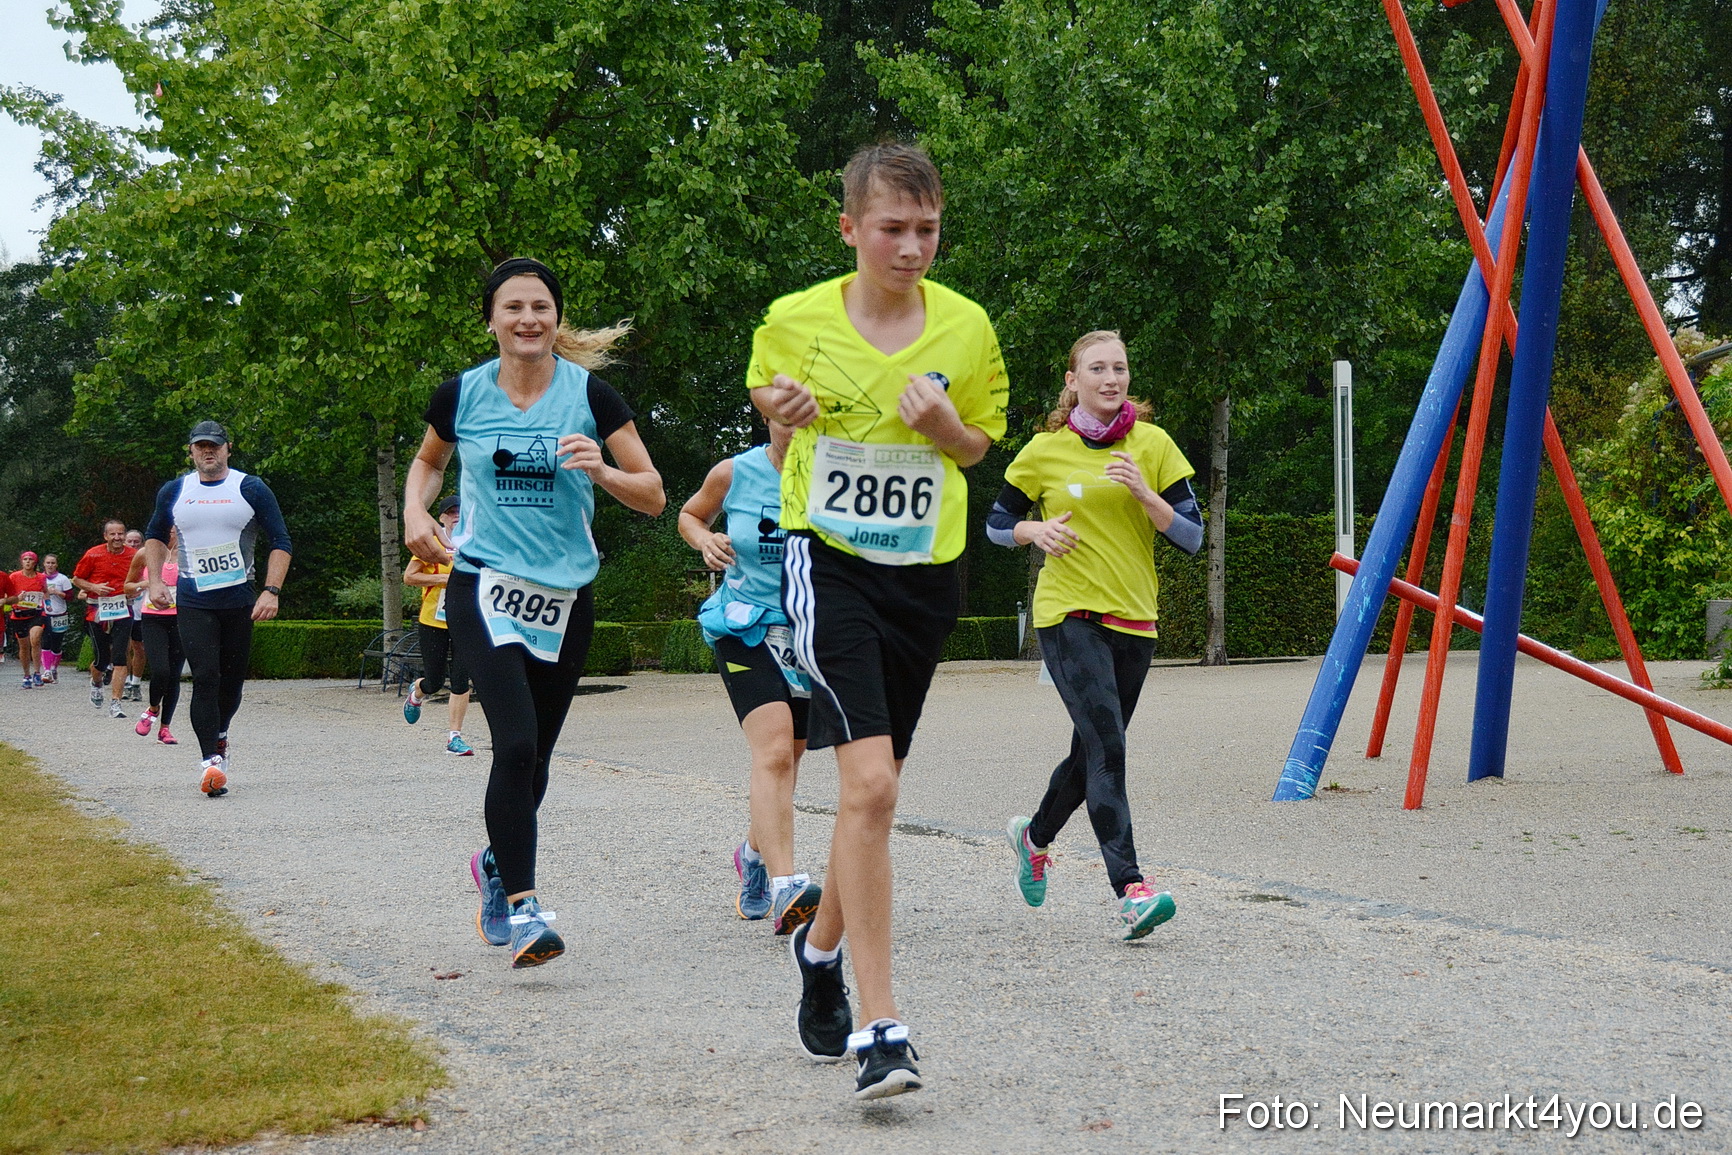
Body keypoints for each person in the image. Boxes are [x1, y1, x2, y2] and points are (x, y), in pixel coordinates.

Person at [750, 141, 1008, 1100]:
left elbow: (980, 440)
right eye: (892, 229)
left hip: (927, 575)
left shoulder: (970, 328)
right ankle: (881, 1024)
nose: (910, 248)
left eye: (927, 230)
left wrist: (947, 431)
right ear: (850, 227)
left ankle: (818, 952)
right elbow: (769, 408)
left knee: (873, 790)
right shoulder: (796, 318)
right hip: (832, 563)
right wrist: (784, 410)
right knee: (871, 781)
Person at [404, 257, 664, 970]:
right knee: (513, 743)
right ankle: (524, 908)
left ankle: (494, 861)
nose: (527, 319)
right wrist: (413, 508)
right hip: (483, 584)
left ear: (557, 318)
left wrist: (603, 470)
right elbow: (428, 463)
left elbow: (653, 493)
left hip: (565, 596)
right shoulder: (461, 394)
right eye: (513, 307)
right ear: (490, 318)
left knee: (537, 758)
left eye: (540, 307)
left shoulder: (592, 396)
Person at [987, 330, 1203, 941]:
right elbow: (997, 524)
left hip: (1136, 619)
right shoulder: (1043, 450)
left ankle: (1033, 838)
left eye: (1121, 369)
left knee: (1091, 755)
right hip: (1068, 614)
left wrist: (1144, 494)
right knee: (1109, 748)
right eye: (1098, 369)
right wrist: (1033, 533)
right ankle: (1131, 890)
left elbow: (1192, 536)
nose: (1112, 379)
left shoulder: (1154, 446)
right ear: (1073, 380)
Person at [678, 419, 820, 934]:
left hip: (808, 634)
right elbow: (690, 514)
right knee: (776, 750)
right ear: (767, 415)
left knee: (794, 752)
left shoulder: (839, 475)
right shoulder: (735, 472)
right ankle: (787, 886)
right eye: (786, 413)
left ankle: (753, 854)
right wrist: (704, 538)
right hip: (744, 625)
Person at [142, 421, 293, 798]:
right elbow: (155, 536)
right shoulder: (176, 490)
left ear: (228, 449)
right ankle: (210, 763)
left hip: (239, 600)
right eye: (200, 447)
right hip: (194, 601)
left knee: (231, 683)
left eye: (215, 446)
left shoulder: (250, 488)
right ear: (191, 451)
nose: (207, 452)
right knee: (205, 677)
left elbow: (280, 539)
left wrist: (271, 591)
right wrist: (158, 582)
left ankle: (221, 733)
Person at [402, 495, 475, 756]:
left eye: (460, 511)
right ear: (441, 517)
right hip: (434, 620)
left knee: (460, 679)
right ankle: (418, 693)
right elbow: (409, 577)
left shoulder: (477, 543)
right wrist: (446, 578)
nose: (456, 515)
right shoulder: (432, 544)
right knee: (435, 681)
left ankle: (454, 737)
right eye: (450, 512)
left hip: (467, 620)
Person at [71, 520, 138, 717]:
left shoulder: (134, 555)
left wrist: (135, 590)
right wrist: (94, 588)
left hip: (123, 609)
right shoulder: (93, 554)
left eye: (121, 534)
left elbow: (142, 577)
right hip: (97, 610)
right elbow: (76, 579)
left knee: (120, 658)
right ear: (105, 537)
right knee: (102, 660)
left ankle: (115, 703)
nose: (117, 538)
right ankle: (97, 681)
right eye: (113, 534)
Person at [126, 528, 183, 744]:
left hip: (181, 619)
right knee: (161, 670)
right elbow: (127, 586)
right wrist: (147, 583)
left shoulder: (189, 556)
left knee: (174, 674)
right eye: (166, 527)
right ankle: (152, 709)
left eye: (175, 528)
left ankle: (165, 728)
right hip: (153, 618)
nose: (170, 532)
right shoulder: (145, 553)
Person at [7, 552, 48, 687]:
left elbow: (45, 591)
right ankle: (26, 675)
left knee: (35, 639)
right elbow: (7, 596)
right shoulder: (14, 577)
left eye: (31, 560)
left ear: (35, 562)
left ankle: (37, 672)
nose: (28, 562)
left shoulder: (41, 577)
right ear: (21, 562)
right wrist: (17, 598)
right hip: (19, 615)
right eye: (25, 559)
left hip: (36, 614)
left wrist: (47, 603)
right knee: (24, 646)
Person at [38, 555, 74, 684]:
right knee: (45, 641)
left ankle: (54, 668)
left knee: (57, 643)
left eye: (53, 563)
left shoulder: (62, 579)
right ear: (44, 564)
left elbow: (70, 597)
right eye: (48, 563)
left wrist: (58, 592)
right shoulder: (39, 578)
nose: (50, 565)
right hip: (44, 613)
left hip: (60, 613)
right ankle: (46, 670)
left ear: (56, 564)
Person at [122, 529, 148, 701]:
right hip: (122, 609)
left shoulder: (147, 559)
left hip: (141, 609)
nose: (133, 545)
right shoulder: (119, 560)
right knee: (123, 648)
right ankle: (124, 682)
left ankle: (135, 683)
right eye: (130, 542)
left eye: (136, 542)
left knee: (139, 647)